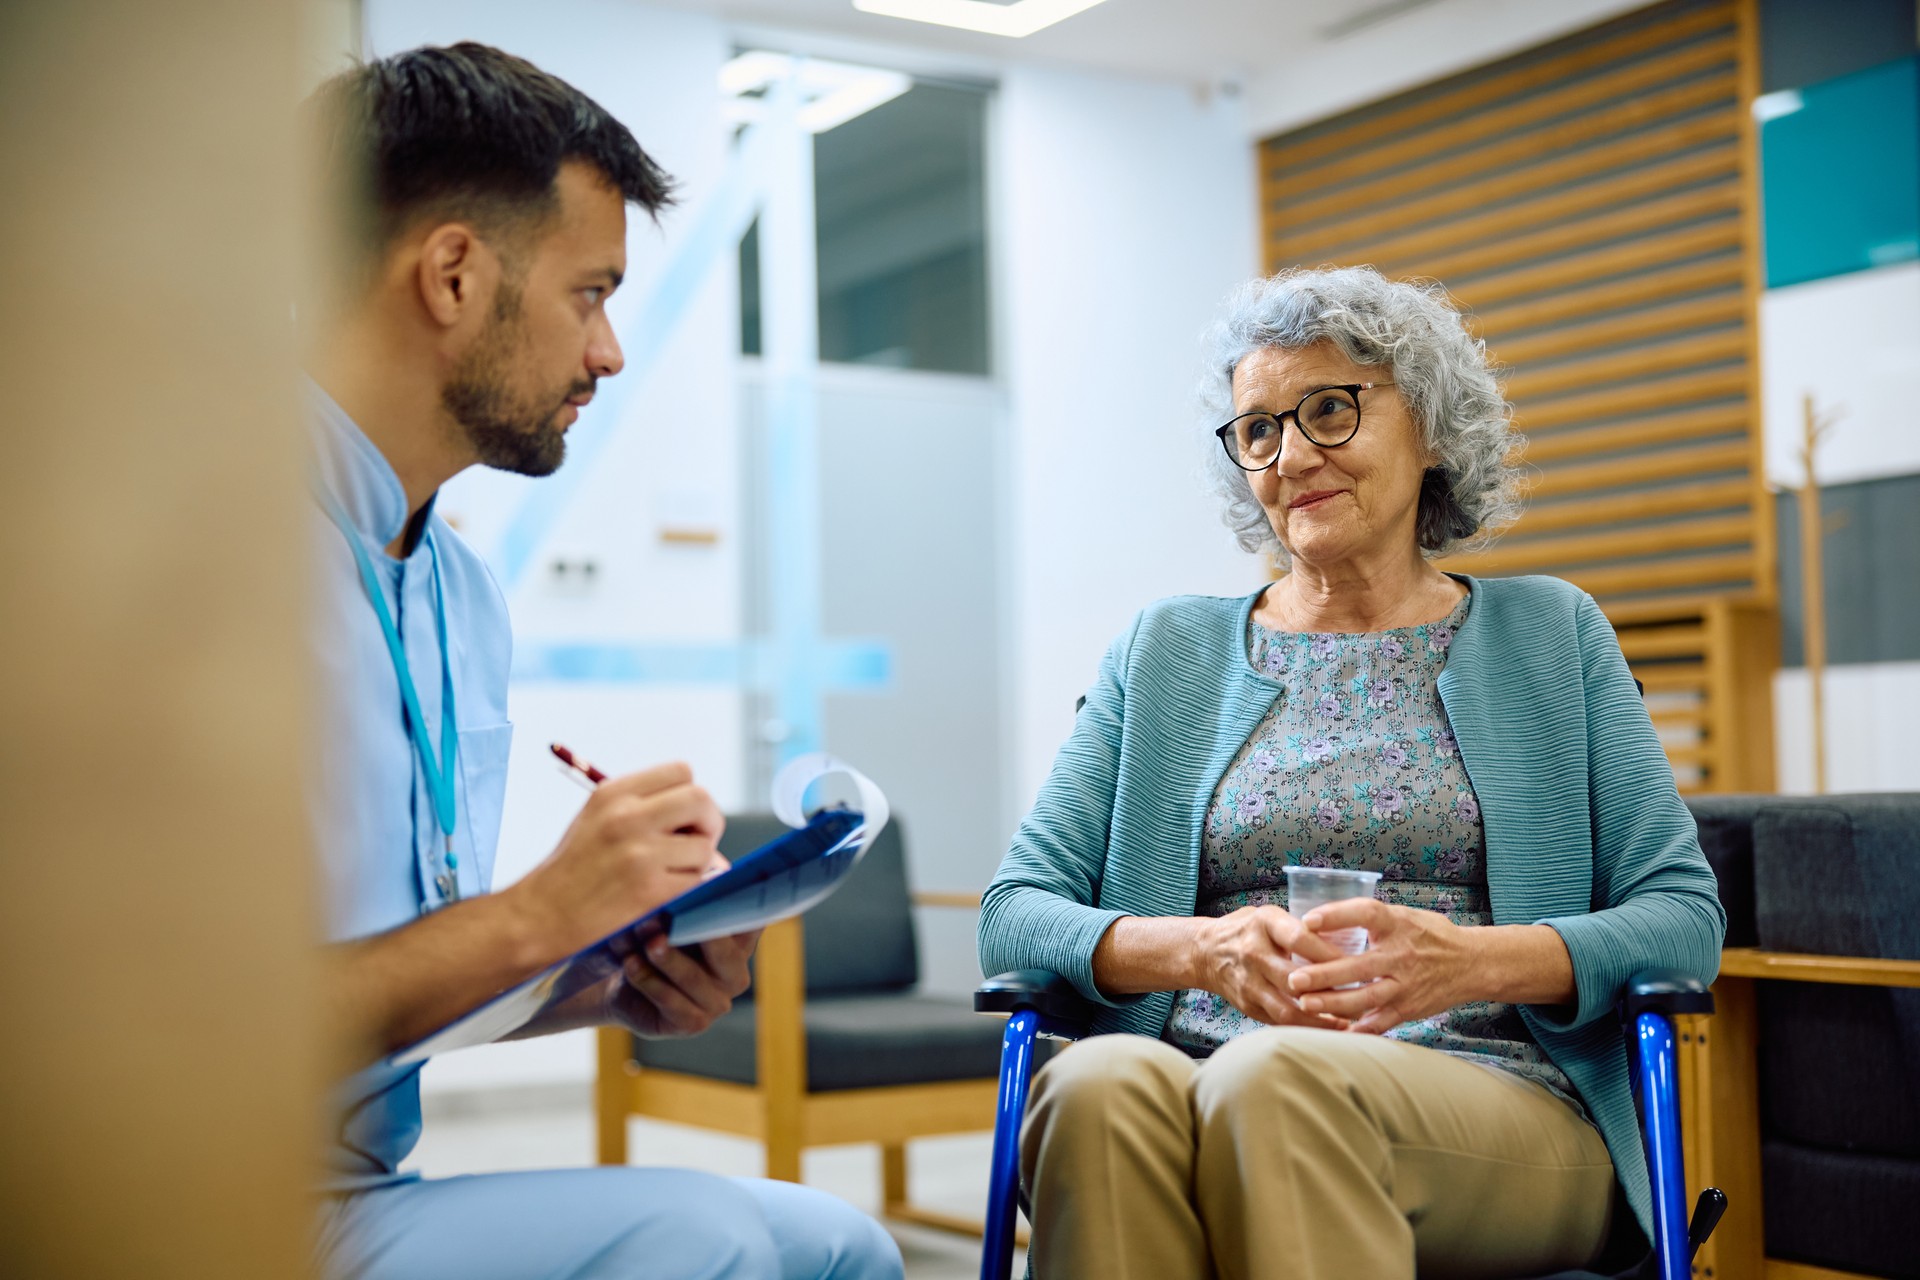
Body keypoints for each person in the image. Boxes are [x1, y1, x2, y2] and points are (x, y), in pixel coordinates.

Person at [978, 265, 1727, 1279]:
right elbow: (1016, 911)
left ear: (1427, 426)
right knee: (1093, 1084)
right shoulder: (1164, 653)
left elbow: (1681, 916)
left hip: (1498, 1097)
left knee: (1278, 1079)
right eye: (1258, 430)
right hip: (1201, 1069)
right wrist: (1200, 950)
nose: (1289, 455)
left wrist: (1470, 960)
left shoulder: (1553, 634)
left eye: (1328, 409)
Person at [302, 43, 902, 1280]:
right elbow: (166, 1038)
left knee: (840, 1244)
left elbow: (391, 991)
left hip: (360, 1184)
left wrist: (590, 977)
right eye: (591, 292)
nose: (611, 352)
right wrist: (531, 913)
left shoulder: (460, 596)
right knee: (714, 1241)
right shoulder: (185, 568)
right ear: (455, 274)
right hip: (169, 1201)